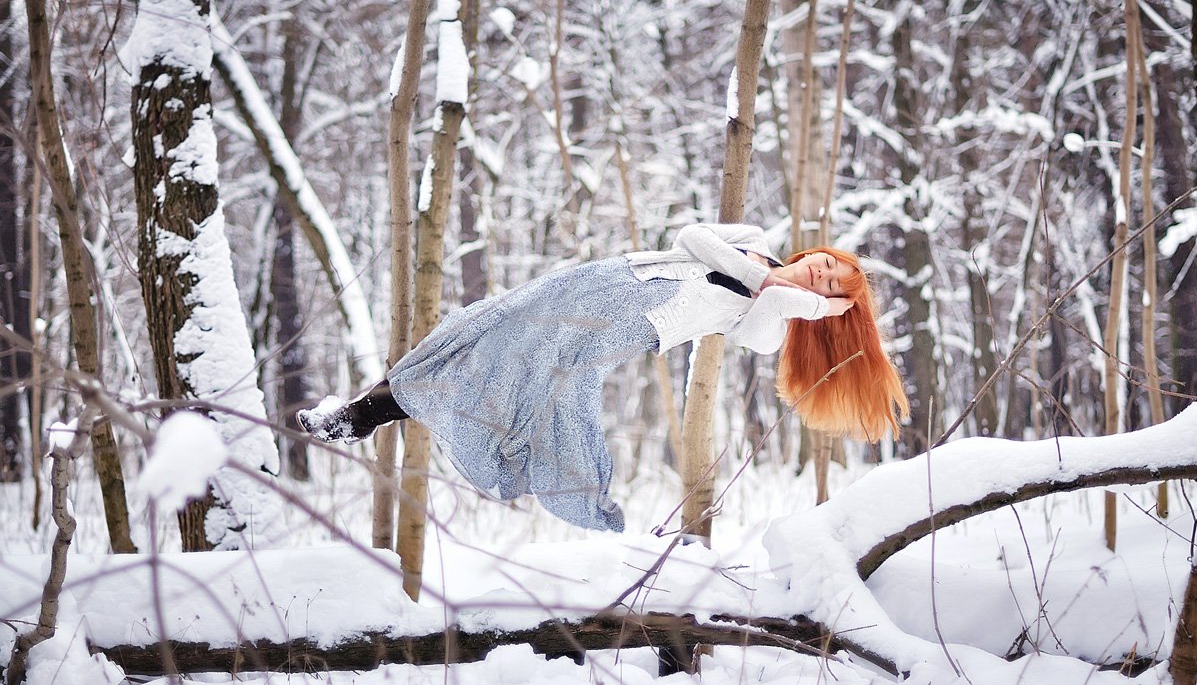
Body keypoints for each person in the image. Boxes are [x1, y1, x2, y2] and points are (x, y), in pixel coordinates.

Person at [299, 223, 908, 531]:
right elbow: (691, 237)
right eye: (825, 265)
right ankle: (356, 414)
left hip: (635, 319)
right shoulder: (755, 243)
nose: (818, 275)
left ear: (825, 309)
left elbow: (755, 337)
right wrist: (762, 276)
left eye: (828, 286)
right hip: (609, 276)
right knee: (488, 325)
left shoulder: (774, 318)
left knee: (551, 379)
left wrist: (798, 302)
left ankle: (594, 519)